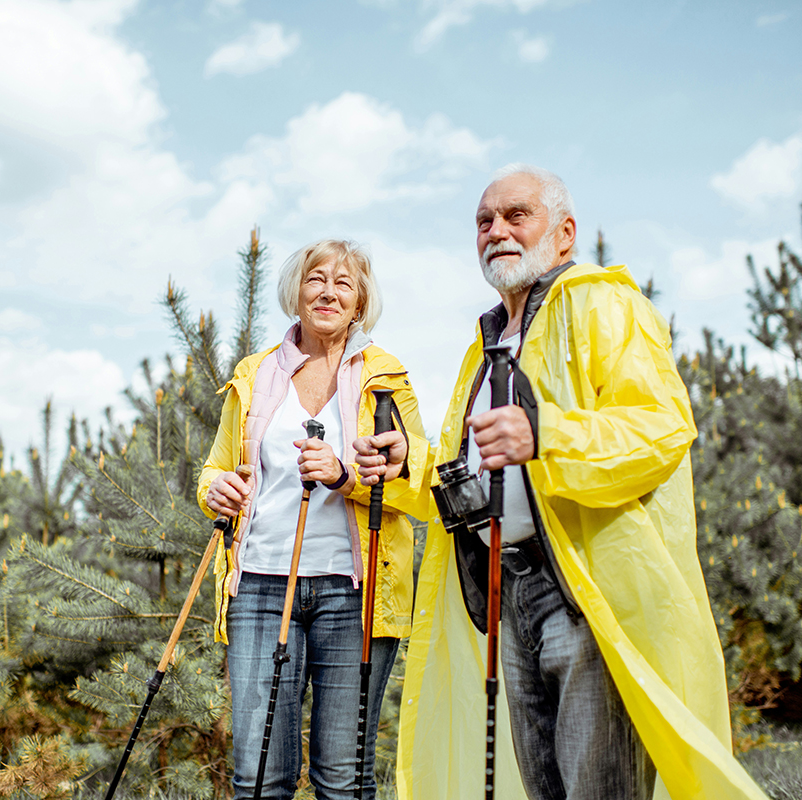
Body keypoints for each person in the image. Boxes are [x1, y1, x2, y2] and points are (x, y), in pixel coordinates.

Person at [354, 166, 769, 800]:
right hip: (505, 595)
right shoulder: (485, 343)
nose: (496, 231)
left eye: (516, 215)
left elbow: (661, 428)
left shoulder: (603, 302)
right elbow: (469, 470)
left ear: (565, 232)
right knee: (544, 788)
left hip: (586, 594)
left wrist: (546, 434)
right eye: (484, 221)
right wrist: (408, 463)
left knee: (598, 788)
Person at [198, 239, 429, 800]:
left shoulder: (386, 376)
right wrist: (215, 490)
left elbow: (418, 480)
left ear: (360, 302)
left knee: (343, 778)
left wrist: (346, 474)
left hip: (352, 592)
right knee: (257, 778)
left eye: (343, 283)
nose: (328, 291)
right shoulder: (253, 375)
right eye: (315, 278)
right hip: (258, 585)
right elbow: (216, 468)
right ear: (295, 293)